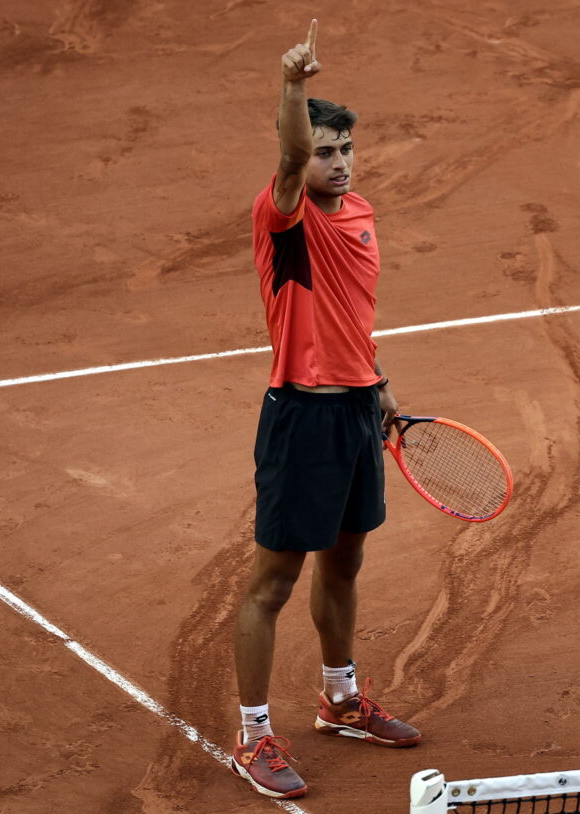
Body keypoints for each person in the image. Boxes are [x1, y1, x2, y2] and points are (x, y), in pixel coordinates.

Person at [229, 19, 421, 800]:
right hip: (300, 420)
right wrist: (292, 85)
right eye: (323, 150)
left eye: (344, 150)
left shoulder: (362, 214)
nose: (336, 163)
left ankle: (340, 700)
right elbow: (285, 155)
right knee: (273, 581)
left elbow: (352, 315)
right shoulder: (286, 219)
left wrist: (377, 380)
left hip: (353, 415)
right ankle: (253, 738)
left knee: (346, 561)